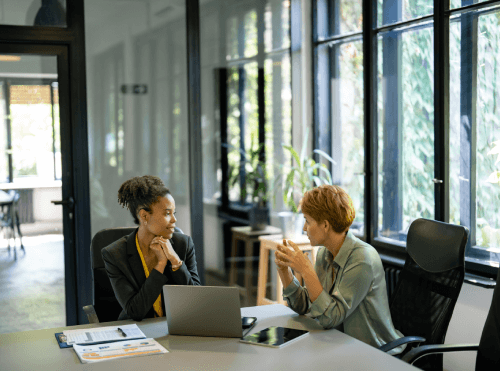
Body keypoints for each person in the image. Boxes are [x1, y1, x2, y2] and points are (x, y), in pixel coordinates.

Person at [275, 185, 404, 355]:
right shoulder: (324, 253)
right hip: (339, 344)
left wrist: (306, 270)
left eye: (308, 221)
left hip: (373, 353)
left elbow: (330, 317)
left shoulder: (362, 259)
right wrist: (284, 271)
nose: (305, 228)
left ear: (325, 225)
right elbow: (305, 305)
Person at [102, 175, 201, 321]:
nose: (174, 220)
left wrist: (175, 260)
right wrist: (160, 265)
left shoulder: (183, 245)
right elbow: (135, 311)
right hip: (137, 332)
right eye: (167, 213)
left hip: (178, 328)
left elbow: (196, 302)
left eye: (174, 213)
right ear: (144, 216)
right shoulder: (115, 254)